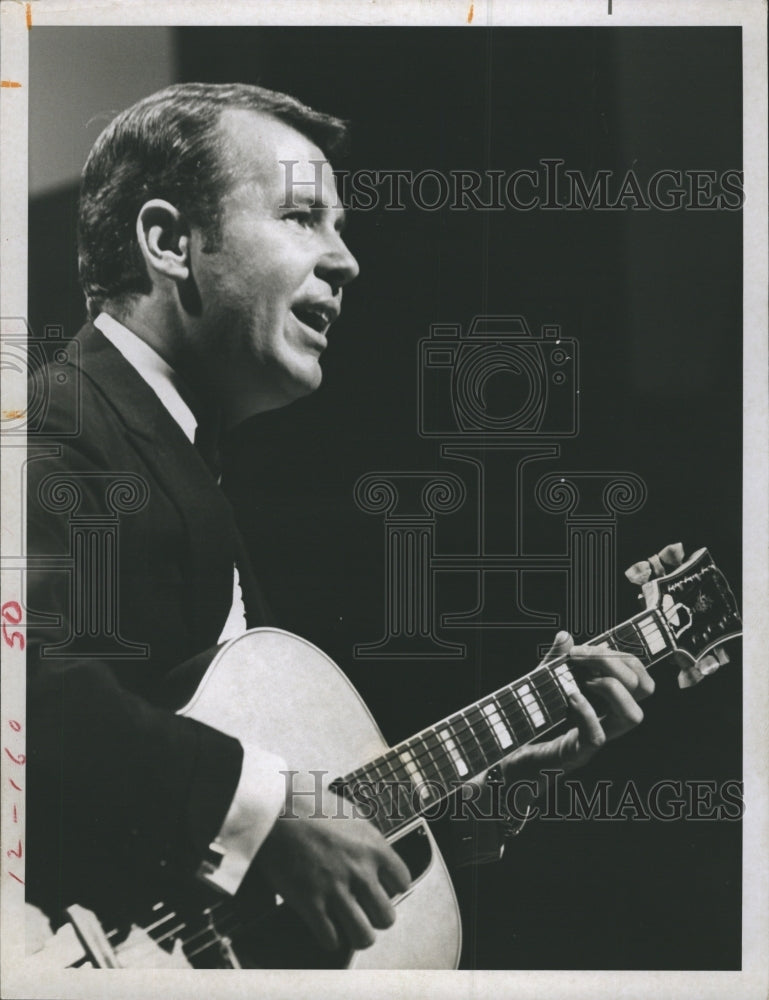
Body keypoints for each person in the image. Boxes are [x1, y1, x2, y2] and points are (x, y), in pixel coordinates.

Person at [26, 82, 658, 963]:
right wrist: (268, 810)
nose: (346, 261)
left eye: (341, 225)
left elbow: (205, 872)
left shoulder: (181, 454)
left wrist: (474, 798)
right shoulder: (52, 425)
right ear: (169, 242)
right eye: (300, 217)